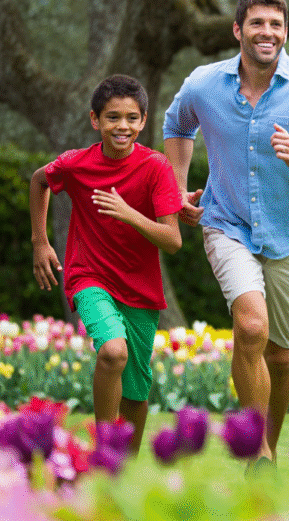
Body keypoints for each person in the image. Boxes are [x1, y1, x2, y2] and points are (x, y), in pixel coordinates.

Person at [162, 0, 289, 470]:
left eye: (275, 24)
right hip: (226, 223)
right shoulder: (204, 84)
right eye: (257, 23)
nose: (267, 32)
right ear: (237, 30)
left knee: (281, 355)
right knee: (250, 328)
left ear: (285, 32)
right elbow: (177, 125)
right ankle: (260, 454)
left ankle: (268, 441)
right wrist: (178, 189)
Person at [30, 74, 183, 454]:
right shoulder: (76, 164)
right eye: (112, 117)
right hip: (89, 276)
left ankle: (121, 470)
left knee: (135, 392)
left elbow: (173, 240)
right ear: (95, 120)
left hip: (140, 289)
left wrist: (129, 214)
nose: (122, 126)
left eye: (131, 118)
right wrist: (40, 242)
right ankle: (103, 452)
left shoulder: (156, 167)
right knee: (113, 352)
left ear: (143, 121)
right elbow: (39, 180)